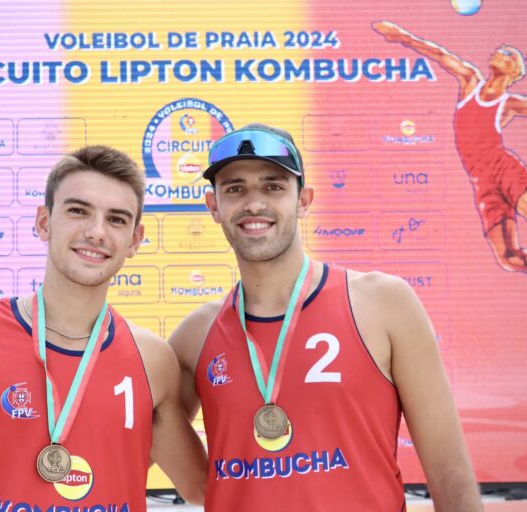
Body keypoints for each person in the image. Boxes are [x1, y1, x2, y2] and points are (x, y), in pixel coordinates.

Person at [169, 124, 482, 510]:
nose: (253, 204)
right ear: (213, 207)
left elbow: (448, 470)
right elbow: (139, 442)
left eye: (273, 186)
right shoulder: (194, 336)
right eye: (235, 188)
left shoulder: (383, 303)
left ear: (304, 201)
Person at [0, 146, 207, 511]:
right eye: (78, 211)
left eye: (117, 219)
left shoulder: (152, 359)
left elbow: (203, 487)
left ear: (135, 240)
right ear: (44, 222)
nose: (96, 231)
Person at [373, 21, 527, 280]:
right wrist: (402, 37)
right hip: (481, 180)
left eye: (507, 53)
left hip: (502, 166)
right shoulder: (471, 81)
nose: (498, 50)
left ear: (514, 71)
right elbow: (439, 54)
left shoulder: (510, 103)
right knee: (509, 258)